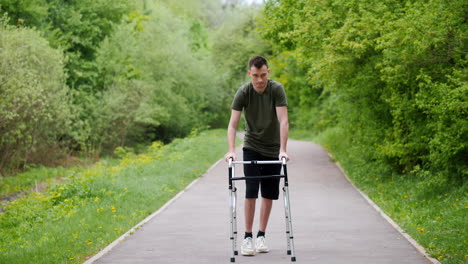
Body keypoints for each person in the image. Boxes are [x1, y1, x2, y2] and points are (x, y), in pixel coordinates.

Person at [225, 56, 289, 256]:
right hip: (251, 145)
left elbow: (283, 120)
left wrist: (283, 149)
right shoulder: (244, 92)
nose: (259, 80)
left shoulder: (276, 89)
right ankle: (247, 237)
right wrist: (231, 150)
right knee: (251, 189)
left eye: (263, 75)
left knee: (269, 193)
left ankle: (261, 234)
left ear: (268, 72)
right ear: (249, 74)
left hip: (272, 148)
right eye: (255, 76)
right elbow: (233, 124)